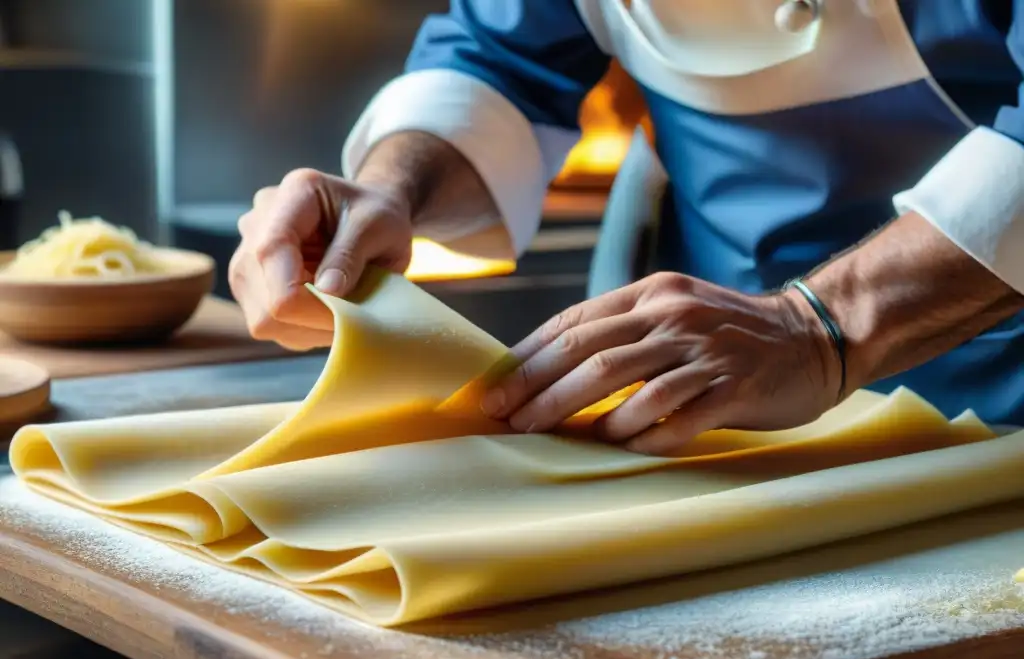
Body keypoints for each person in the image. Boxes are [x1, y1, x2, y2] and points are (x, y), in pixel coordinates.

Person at [229, 0, 1024, 456]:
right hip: (718, 435)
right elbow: (500, 59)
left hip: (1000, 426)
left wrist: (819, 329)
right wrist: (388, 187)